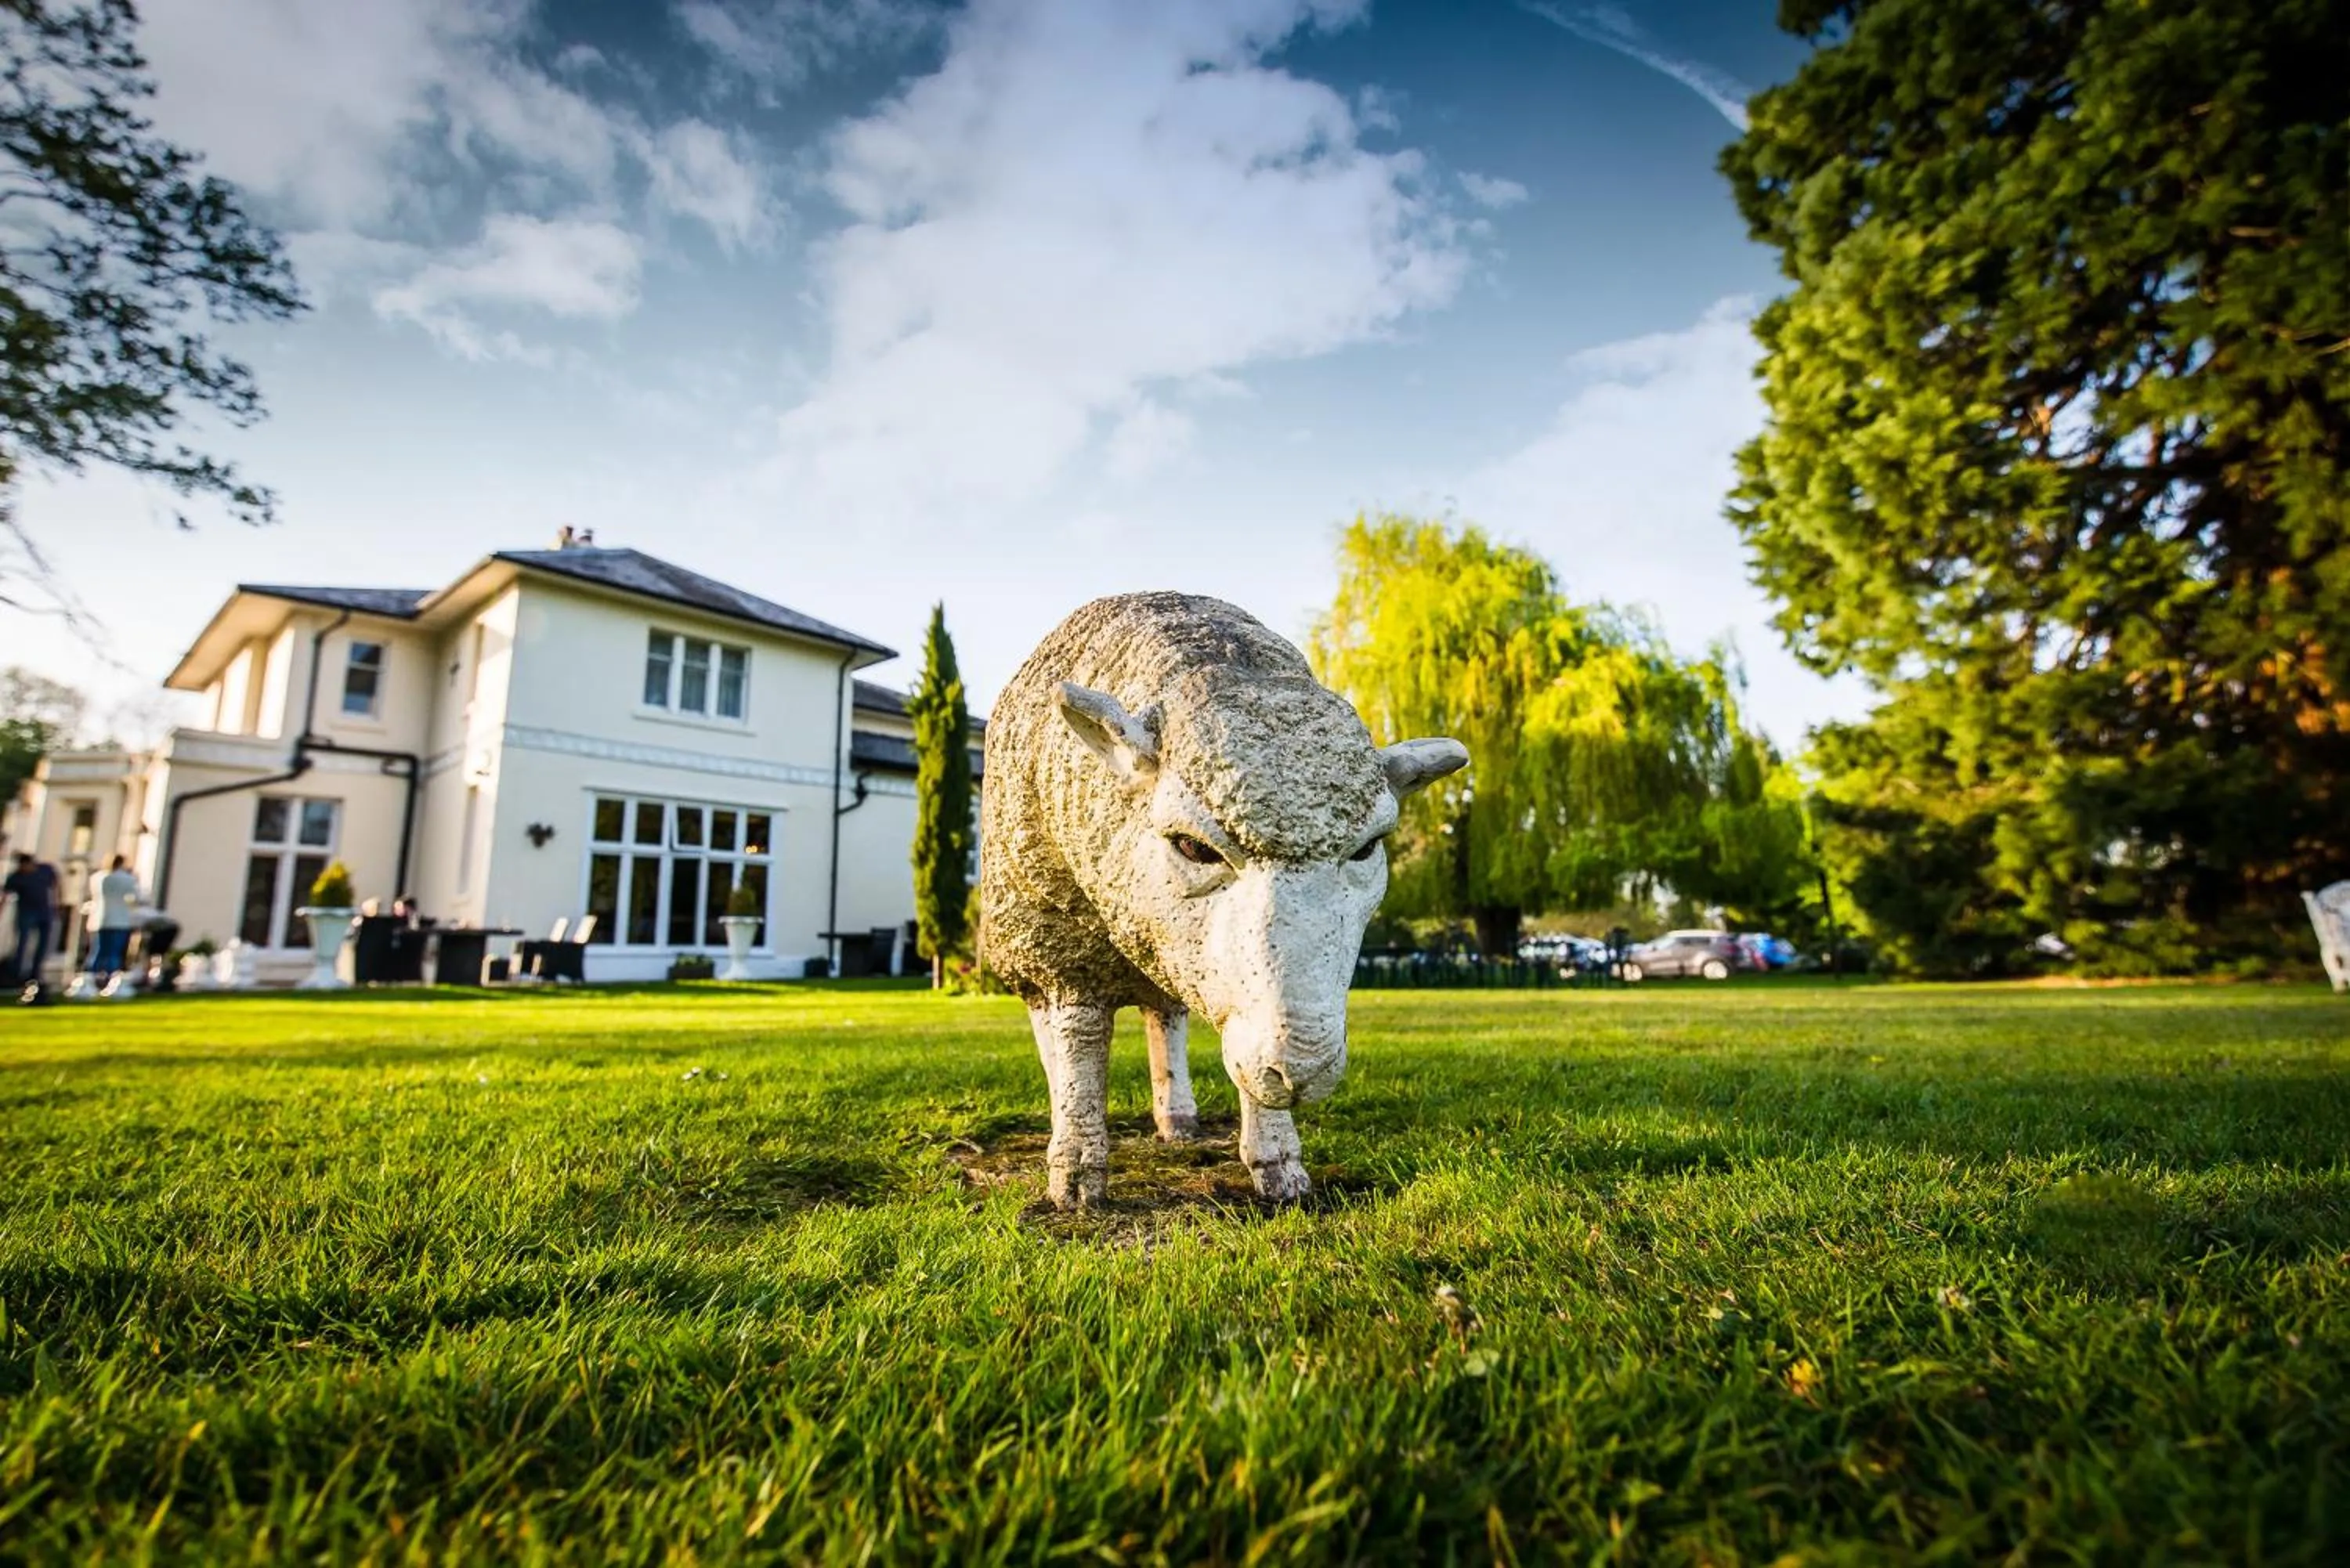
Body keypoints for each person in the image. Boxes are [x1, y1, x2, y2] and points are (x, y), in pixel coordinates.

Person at [5, 852, 60, 987]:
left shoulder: (45, 870)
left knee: (43, 944)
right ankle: (16, 973)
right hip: (26, 913)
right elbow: (6, 894)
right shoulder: (16, 877)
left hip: (44, 912)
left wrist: (58, 901)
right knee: (22, 943)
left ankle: (36, 972)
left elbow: (56, 883)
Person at [88, 854, 141, 981]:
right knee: (114, 953)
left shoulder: (97, 877)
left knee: (97, 952)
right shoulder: (126, 879)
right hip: (119, 920)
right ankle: (111, 979)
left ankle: (91, 979)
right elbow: (135, 898)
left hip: (98, 919)